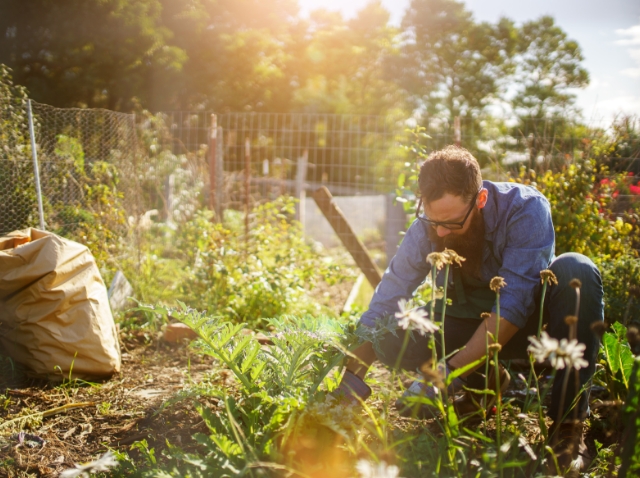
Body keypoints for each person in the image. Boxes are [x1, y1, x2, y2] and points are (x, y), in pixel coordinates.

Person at [333, 146, 603, 473]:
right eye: (434, 221)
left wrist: (446, 374)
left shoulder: (526, 210)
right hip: (465, 319)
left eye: (452, 222)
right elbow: (391, 293)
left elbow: (514, 304)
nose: (441, 232)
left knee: (578, 271)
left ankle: (568, 430)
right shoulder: (429, 226)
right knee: (388, 337)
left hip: (530, 330)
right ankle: (485, 382)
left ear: (481, 200)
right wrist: (351, 377)